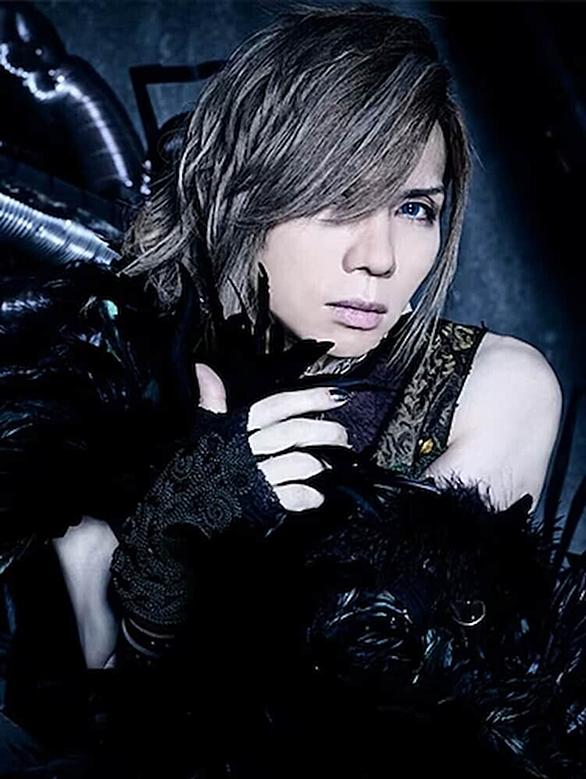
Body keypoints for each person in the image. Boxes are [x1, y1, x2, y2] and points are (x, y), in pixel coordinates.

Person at [0, 3, 574, 778]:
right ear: (245, 197)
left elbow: (390, 706)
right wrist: (167, 541)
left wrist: (234, 549)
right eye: (339, 201)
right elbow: (79, 707)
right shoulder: (122, 377)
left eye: (414, 208)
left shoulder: (491, 386)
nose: (379, 257)